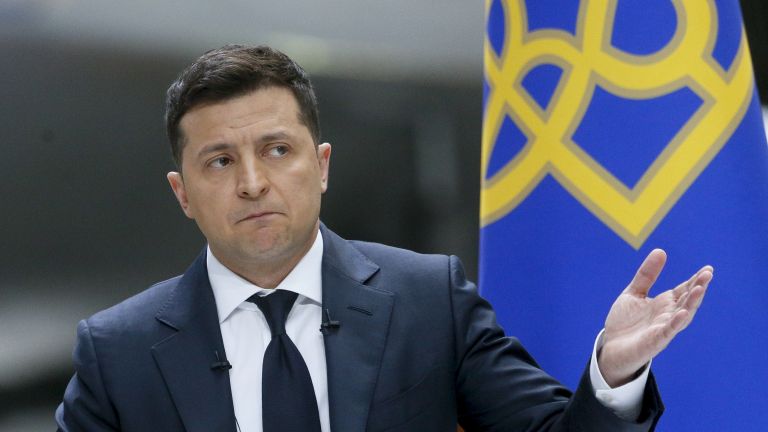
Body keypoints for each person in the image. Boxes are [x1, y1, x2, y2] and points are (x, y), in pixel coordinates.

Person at [55, 45, 711, 432]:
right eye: (220, 161)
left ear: (322, 166)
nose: (252, 183)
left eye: (277, 150)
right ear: (183, 193)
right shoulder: (118, 351)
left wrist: (614, 372)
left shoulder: (430, 301)